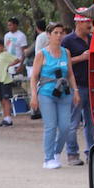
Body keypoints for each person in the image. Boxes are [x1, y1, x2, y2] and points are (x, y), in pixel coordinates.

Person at [29, 22, 73, 169]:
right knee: (51, 126)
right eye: (56, 33)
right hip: (47, 92)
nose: (59, 36)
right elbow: (34, 77)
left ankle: (56, 152)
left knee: (66, 126)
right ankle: (48, 158)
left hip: (64, 92)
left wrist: (76, 91)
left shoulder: (66, 52)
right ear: (48, 35)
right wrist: (34, 96)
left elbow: (70, 74)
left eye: (61, 33)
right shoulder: (42, 54)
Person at [61, 16, 94, 166]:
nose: (90, 25)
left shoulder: (93, 38)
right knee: (73, 121)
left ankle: (91, 152)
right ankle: (72, 153)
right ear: (78, 23)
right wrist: (81, 58)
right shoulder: (68, 41)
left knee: (92, 122)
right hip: (76, 86)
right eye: (87, 22)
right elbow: (62, 62)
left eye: (90, 22)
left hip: (93, 85)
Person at [1, 18, 25, 126]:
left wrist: (21, 64)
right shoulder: (7, 36)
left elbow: (24, 51)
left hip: (17, 61)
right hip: (8, 63)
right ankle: (7, 112)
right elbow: (5, 49)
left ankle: (19, 106)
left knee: (15, 85)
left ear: (16, 25)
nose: (9, 27)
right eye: (8, 25)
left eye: (11, 25)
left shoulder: (21, 36)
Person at [0, 38, 20, 122]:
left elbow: (17, 59)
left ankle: (8, 117)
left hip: (6, 80)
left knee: (6, 99)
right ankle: (5, 117)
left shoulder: (6, 54)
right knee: (1, 99)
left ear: (2, 46)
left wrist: (9, 65)